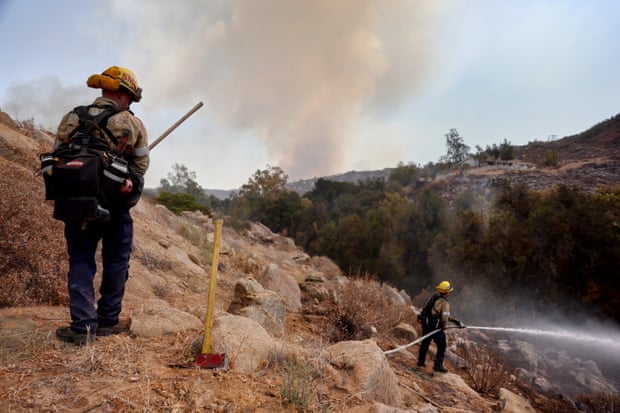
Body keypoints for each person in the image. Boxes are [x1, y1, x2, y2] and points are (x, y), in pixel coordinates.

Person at [54, 66, 150, 345]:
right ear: (122, 93)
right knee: (116, 260)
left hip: (78, 205)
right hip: (116, 206)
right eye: (130, 97)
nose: (130, 103)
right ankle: (108, 321)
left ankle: (83, 327)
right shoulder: (131, 123)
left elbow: (58, 153)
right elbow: (141, 167)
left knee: (81, 259)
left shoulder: (72, 117)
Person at [417, 281, 465, 373]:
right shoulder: (444, 302)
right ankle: (438, 365)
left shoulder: (433, 297)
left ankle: (420, 362)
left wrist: (456, 322)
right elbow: (444, 317)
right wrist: (443, 327)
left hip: (426, 324)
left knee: (425, 343)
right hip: (435, 327)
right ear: (447, 292)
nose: (449, 293)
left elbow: (431, 312)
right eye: (449, 292)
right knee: (442, 345)